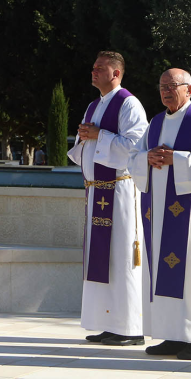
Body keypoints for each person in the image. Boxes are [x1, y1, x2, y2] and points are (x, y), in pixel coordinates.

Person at [127, 69, 191, 361]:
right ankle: (171, 335)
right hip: (158, 214)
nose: (166, 91)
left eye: (172, 86)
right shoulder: (156, 123)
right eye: (162, 86)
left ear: (189, 89)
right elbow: (133, 157)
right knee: (162, 273)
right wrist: (146, 158)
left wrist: (178, 159)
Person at [68, 51, 147, 346]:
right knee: (103, 258)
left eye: (100, 68)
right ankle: (108, 323)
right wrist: (86, 137)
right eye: (93, 67)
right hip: (97, 191)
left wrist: (98, 135)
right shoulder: (93, 105)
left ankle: (131, 328)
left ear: (116, 73)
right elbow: (86, 145)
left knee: (122, 257)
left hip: (120, 191)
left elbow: (136, 146)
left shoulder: (129, 104)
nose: (94, 71)